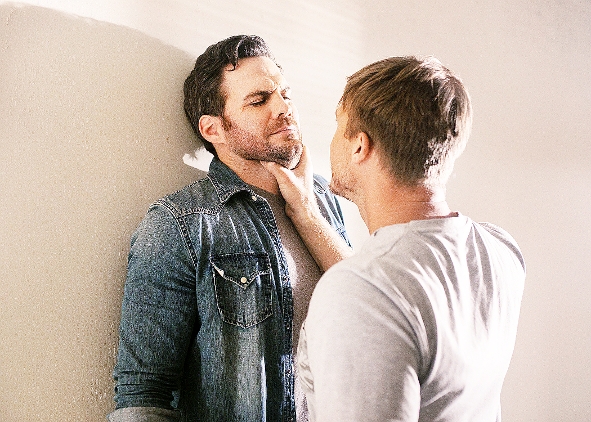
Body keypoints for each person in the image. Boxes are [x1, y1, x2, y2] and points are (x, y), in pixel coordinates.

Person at [109, 35, 352, 422]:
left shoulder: (323, 199)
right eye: (259, 101)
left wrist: (307, 212)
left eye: (285, 94)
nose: (284, 108)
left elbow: (366, 307)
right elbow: (145, 393)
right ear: (213, 130)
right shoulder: (180, 224)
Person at [288, 56, 526, 421]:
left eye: (338, 123)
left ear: (359, 146)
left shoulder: (361, 290)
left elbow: (379, 294)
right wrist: (307, 214)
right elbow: (395, 291)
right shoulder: (501, 250)